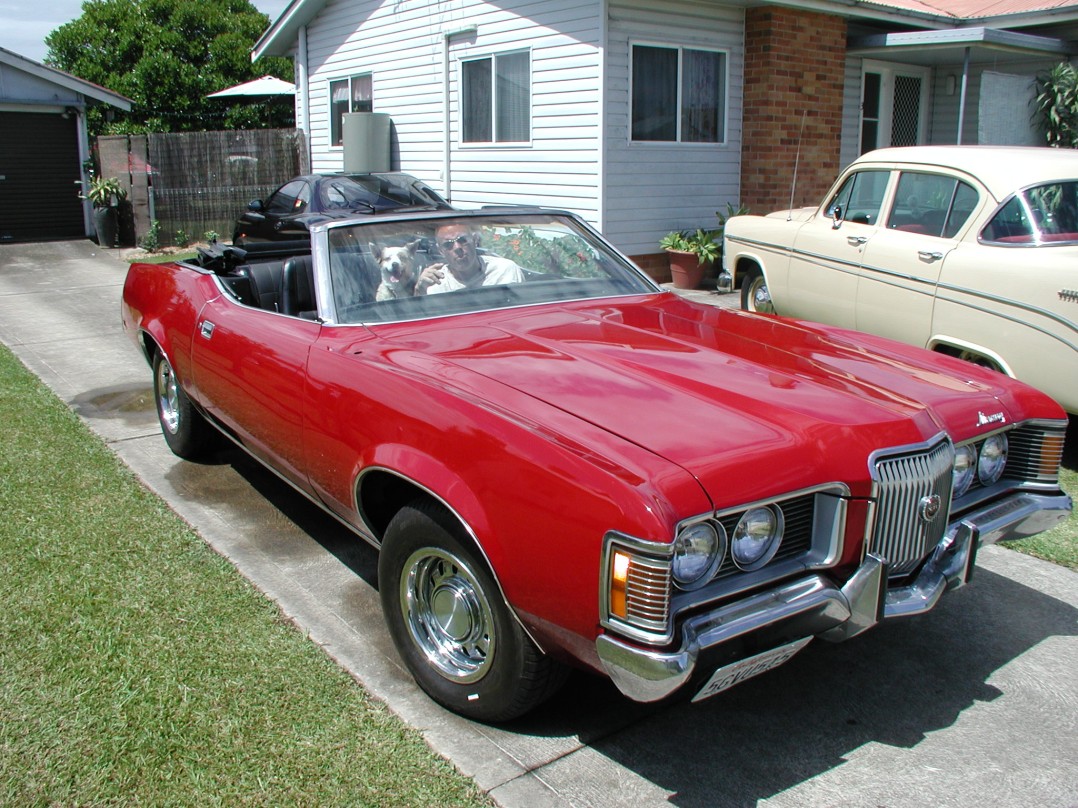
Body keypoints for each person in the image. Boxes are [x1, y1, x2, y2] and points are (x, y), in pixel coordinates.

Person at [416, 223, 524, 294]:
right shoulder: (435, 283)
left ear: (475, 241)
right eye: (448, 245)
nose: (457, 247)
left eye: (463, 240)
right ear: (441, 251)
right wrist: (419, 290)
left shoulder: (505, 271)